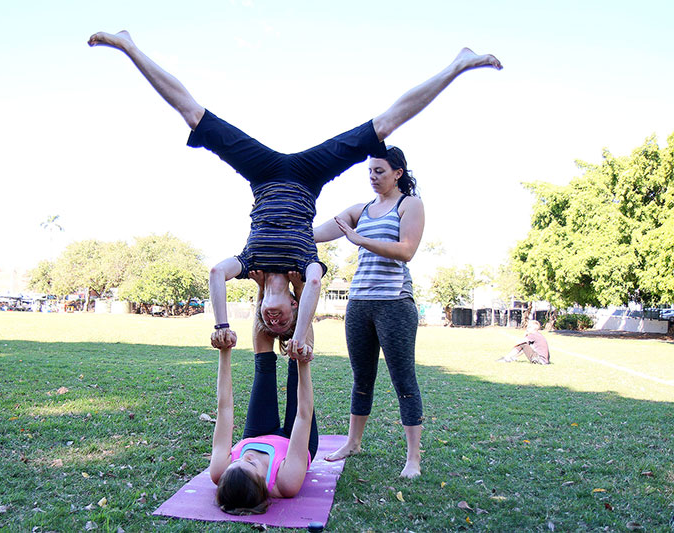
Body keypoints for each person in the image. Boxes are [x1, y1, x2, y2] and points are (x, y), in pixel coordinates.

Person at [88, 30, 503, 358]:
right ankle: (458, 65)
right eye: (285, 320)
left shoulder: (248, 264)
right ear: (293, 306)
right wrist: (302, 335)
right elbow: (317, 286)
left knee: (195, 116)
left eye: (277, 324)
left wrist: (220, 326)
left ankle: (128, 46)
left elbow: (215, 274)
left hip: (264, 174)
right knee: (384, 126)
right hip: (307, 176)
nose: (276, 317)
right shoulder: (304, 271)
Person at [314, 145, 425, 478]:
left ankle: (413, 459)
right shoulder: (361, 209)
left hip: (395, 304)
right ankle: (353, 442)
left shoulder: (410, 205)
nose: (374, 178)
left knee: (403, 380)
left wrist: (360, 240)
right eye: (370, 172)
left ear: (398, 174)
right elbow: (318, 232)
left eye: (380, 171)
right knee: (361, 379)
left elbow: (406, 251)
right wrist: (289, 229)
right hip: (359, 304)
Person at [207, 311, 318, 514]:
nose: (243, 456)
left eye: (236, 461)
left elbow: (224, 408)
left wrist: (224, 351)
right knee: (297, 354)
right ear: (263, 483)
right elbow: (303, 415)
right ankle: (304, 298)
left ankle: (263, 293)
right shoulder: (286, 482)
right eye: (250, 463)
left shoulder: (219, 471)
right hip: (294, 443)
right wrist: (303, 362)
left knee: (263, 366)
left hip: (256, 436)